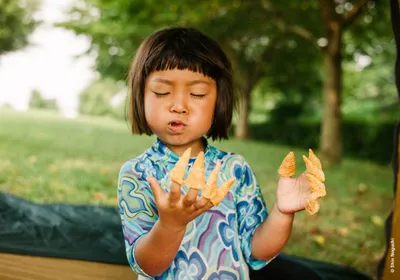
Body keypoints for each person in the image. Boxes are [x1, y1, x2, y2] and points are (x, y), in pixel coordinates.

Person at [117, 26, 314, 279]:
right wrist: (170, 226)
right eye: (162, 92)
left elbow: (257, 252)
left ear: (219, 100)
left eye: (197, 93)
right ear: (140, 95)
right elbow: (147, 266)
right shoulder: (138, 174)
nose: (179, 106)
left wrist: (282, 212)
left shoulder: (234, 169)